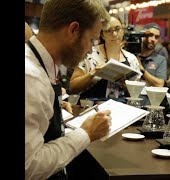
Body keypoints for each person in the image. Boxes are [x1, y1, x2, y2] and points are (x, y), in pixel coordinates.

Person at [25, 0, 112, 179]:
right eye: (91, 40)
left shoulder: (42, 64)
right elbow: (29, 167)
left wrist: (55, 110)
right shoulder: (31, 77)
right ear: (73, 30)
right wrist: (86, 133)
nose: (90, 50)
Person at [70, 15, 141, 102]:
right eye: (108, 31)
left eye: (117, 29)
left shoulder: (131, 59)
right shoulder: (90, 54)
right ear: (102, 35)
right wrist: (92, 74)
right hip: (93, 107)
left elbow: (136, 95)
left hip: (121, 108)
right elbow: (73, 87)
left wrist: (126, 86)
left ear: (123, 31)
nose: (114, 34)